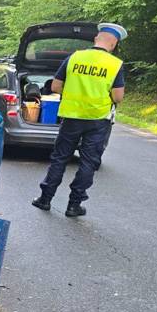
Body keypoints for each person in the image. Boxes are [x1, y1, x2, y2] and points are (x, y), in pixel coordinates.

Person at [32, 23, 127, 217]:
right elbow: (118, 97)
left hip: (72, 117)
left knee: (60, 158)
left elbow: (55, 87)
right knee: (88, 162)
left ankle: (45, 199)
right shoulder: (115, 64)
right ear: (114, 43)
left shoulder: (75, 57)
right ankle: (74, 205)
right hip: (98, 120)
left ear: (96, 39)